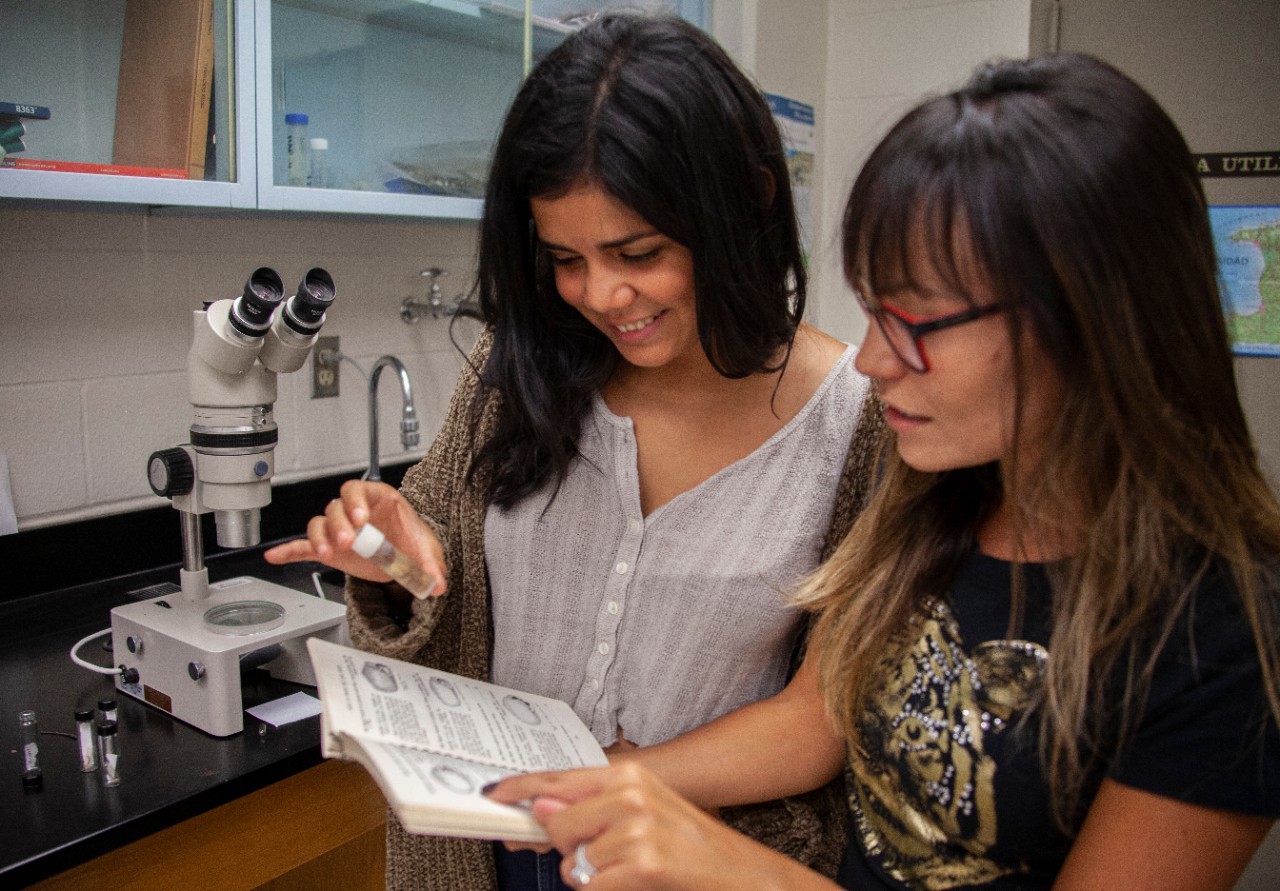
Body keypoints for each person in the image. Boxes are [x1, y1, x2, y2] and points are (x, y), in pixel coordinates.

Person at [486, 51, 1280, 890]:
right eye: (870, 311)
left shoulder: (1227, 629)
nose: (868, 361)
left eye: (915, 320)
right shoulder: (934, 493)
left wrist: (732, 866)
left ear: (1089, 315)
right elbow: (811, 720)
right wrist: (616, 787)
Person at [265, 12, 886, 891]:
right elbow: (432, 595)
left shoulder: (856, 424)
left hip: (689, 859)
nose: (602, 294)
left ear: (747, 201)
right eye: (565, 257)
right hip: (488, 857)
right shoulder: (510, 375)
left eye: (639, 252)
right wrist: (390, 555)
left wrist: (620, 784)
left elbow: (818, 717)